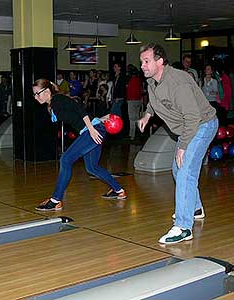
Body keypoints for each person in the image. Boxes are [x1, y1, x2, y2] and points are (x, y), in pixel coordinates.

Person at [138, 44, 218, 244]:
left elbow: (192, 117)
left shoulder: (178, 82)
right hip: (187, 127)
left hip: (201, 125)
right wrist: (147, 115)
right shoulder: (152, 81)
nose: (143, 66)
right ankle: (195, 208)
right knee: (177, 169)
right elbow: (153, 101)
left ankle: (183, 227)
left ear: (160, 61)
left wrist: (182, 147)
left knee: (184, 172)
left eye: (146, 61)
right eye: (142, 62)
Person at [32, 79, 127, 211]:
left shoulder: (57, 99)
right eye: (34, 94)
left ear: (47, 91)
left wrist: (92, 129)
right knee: (92, 167)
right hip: (93, 128)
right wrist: (98, 120)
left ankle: (55, 200)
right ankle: (118, 190)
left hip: (91, 131)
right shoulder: (54, 103)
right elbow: (78, 114)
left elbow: (79, 108)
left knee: (65, 159)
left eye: (38, 93)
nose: (36, 97)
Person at [126, 64, 143, 140]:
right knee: (137, 117)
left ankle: (132, 135)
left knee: (131, 118)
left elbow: (130, 91)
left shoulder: (130, 80)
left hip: (131, 100)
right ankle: (139, 132)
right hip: (138, 99)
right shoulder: (138, 79)